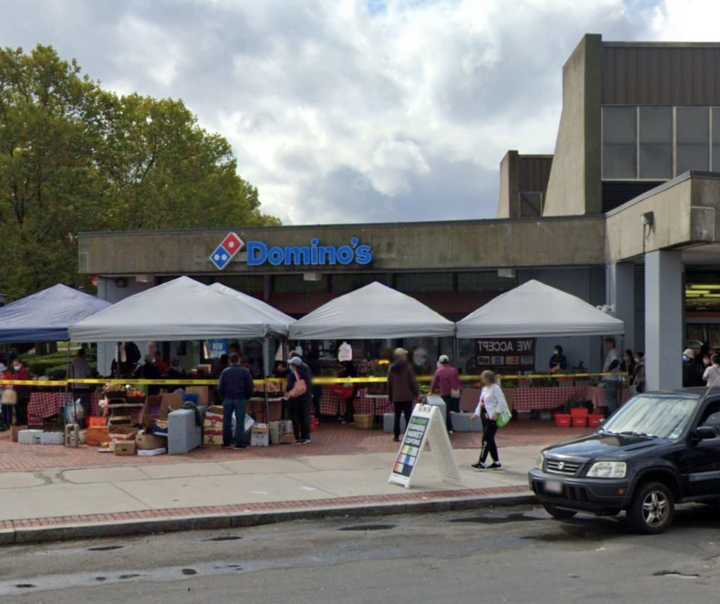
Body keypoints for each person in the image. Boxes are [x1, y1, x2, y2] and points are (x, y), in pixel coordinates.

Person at [471, 370, 509, 470]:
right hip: (485, 416)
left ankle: (481, 462)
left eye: (483, 377)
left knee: (486, 439)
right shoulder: (484, 388)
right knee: (490, 440)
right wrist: (476, 413)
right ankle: (496, 462)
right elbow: (481, 402)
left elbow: (501, 401)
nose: (482, 379)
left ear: (487, 378)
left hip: (492, 417)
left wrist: (497, 413)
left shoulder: (495, 388)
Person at [218, 353, 254, 449]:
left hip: (228, 399)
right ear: (239, 360)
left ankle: (226, 442)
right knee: (240, 421)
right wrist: (247, 396)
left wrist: (223, 397)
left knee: (226, 421)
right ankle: (240, 443)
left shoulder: (225, 372)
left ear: (230, 361)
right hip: (240, 398)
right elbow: (250, 386)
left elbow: (220, 387)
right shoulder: (245, 371)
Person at [387, 348, 419, 442]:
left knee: (396, 417)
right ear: (402, 356)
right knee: (408, 417)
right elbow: (412, 382)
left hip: (396, 397)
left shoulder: (391, 368)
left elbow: (389, 383)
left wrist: (390, 396)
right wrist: (416, 393)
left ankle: (396, 436)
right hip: (407, 396)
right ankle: (408, 436)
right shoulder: (408, 367)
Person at [430, 355, 462, 434]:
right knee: (452, 410)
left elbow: (434, 383)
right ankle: (450, 428)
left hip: (445, 393)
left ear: (440, 362)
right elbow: (458, 382)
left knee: (446, 411)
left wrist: (431, 391)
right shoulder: (454, 370)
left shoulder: (439, 371)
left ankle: (449, 428)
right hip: (455, 393)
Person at [285, 356, 313, 444]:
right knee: (305, 416)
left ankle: (298, 437)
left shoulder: (293, 374)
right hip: (306, 397)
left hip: (296, 399)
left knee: (296, 417)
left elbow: (289, 386)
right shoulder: (307, 372)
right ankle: (306, 436)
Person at [67, 348, 92, 427]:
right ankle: (83, 423)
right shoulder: (85, 362)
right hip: (84, 387)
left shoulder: (72, 362)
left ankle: (76, 423)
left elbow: (69, 374)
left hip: (75, 387)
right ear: (83, 354)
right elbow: (88, 374)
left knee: (76, 406)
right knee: (84, 406)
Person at [602, 337, 622, 414]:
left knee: (610, 399)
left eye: (607, 343)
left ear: (611, 343)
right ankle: (615, 415)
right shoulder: (613, 352)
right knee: (612, 399)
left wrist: (608, 369)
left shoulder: (612, 352)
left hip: (611, 379)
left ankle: (613, 415)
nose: (606, 345)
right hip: (612, 379)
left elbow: (615, 361)